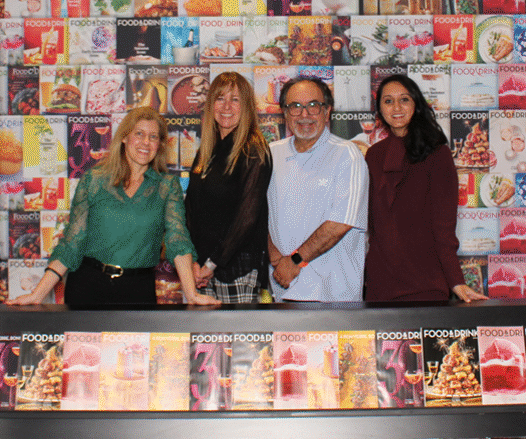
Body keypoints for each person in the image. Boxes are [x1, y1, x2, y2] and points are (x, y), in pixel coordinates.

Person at [9, 106, 219, 306]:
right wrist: (37, 295)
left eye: (153, 136)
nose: (146, 142)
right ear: (125, 138)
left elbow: (177, 239)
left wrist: (192, 294)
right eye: (139, 133)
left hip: (138, 291)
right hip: (87, 288)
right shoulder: (94, 180)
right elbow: (72, 244)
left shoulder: (167, 186)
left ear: (160, 144)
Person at [363, 74, 481, 302]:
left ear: (416, 104)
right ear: (379, 110)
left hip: (425, 283)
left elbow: (444, 227)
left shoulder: (437, 153)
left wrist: (456, 281)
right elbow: (372, 225)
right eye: (388, 101)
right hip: (380, 284)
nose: (396, 107)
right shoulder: (374, 155)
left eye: (404, 99)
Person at [267, 76, 369, 302]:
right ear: (284, 112)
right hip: (283, 290)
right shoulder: (271, 154)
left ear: (327, 111)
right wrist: (275, 257)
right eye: (295, 106)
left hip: (334, 294)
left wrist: (294, 261)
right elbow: (254, 212)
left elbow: (340, 223)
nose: (305, 115)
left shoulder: (347, 154)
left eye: (313, 105)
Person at [185, 72, 273, 303]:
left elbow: (247, 217)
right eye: (220, 98)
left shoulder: (254, 149)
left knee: (237, 338)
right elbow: (191, 208)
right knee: (204, 338)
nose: (226, 106)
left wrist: (213, 262)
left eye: (235, 100)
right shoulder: (207, 149)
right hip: (202, 269)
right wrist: (194, 261)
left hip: (237, 268)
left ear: (246, 106)